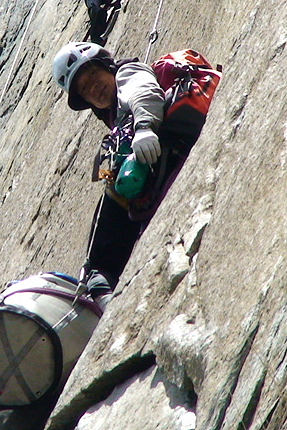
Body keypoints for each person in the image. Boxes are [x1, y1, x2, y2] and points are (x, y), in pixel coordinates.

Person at [52, 41, 186, 308]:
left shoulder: (126, 74)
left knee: (115, 191)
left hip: (165, 144)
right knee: (112, 181)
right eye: (85, 89)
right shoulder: (114, 116)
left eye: (93, 76)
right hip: (156, 159)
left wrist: (145, 126)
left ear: (107, 67)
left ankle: (99, 274)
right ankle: (97, 273)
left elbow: (143, 91)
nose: (94, 88)